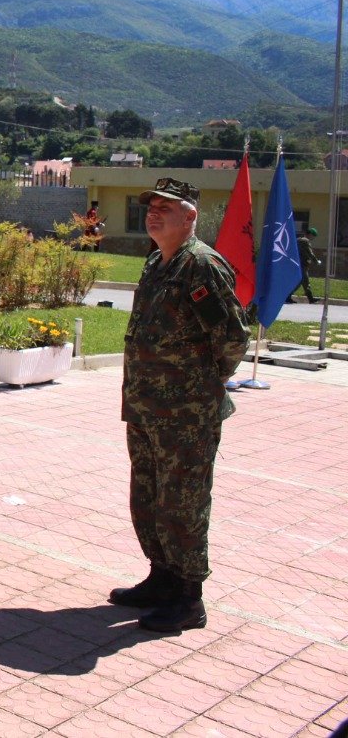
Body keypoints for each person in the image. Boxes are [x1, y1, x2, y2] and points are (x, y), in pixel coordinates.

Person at [111, 177, 248, 633]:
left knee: (182, 503)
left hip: (186, 415)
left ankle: (189, 598)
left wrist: (199, 388)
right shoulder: (156, 263)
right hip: (147, 408)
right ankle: (162, 577)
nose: (153, 213)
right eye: (150, 206)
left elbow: (230, 339)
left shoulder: (201, 267)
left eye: (166, 208)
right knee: (148, 497)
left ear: (190, 216)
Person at [289, 227, 321, 303]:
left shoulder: (298, 240)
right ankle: (311, 299)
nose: (313, 238)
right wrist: (316, 261)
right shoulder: (305, 241)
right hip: (302, 265)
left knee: (299, 283)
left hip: (297, 264)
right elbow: (310, 253)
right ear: (309, 234)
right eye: (313, 236)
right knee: (305, 281)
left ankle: (288, 296)